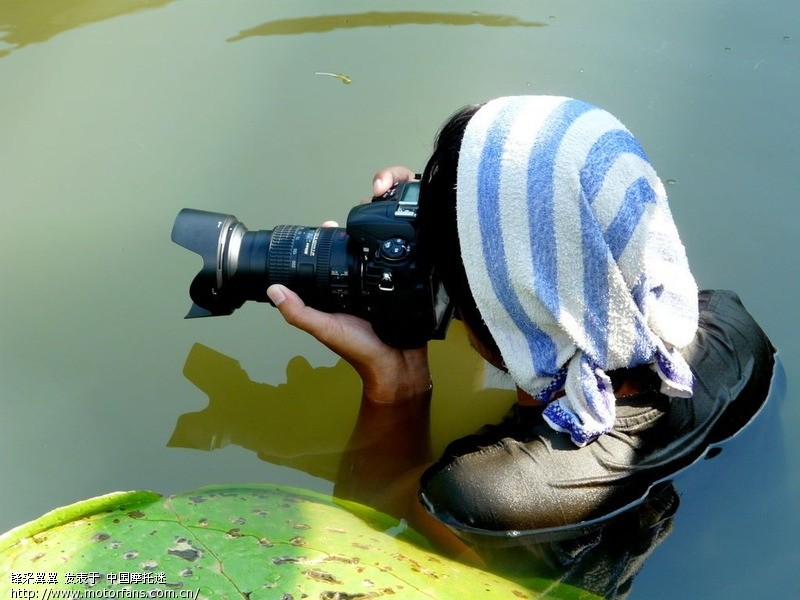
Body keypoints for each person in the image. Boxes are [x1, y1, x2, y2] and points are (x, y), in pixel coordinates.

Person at [265, 96, 775, 554]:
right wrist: (461, 220)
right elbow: (556, 299)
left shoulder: (483, 496)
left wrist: (395, 381)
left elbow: (363, 532)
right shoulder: (733, 331)